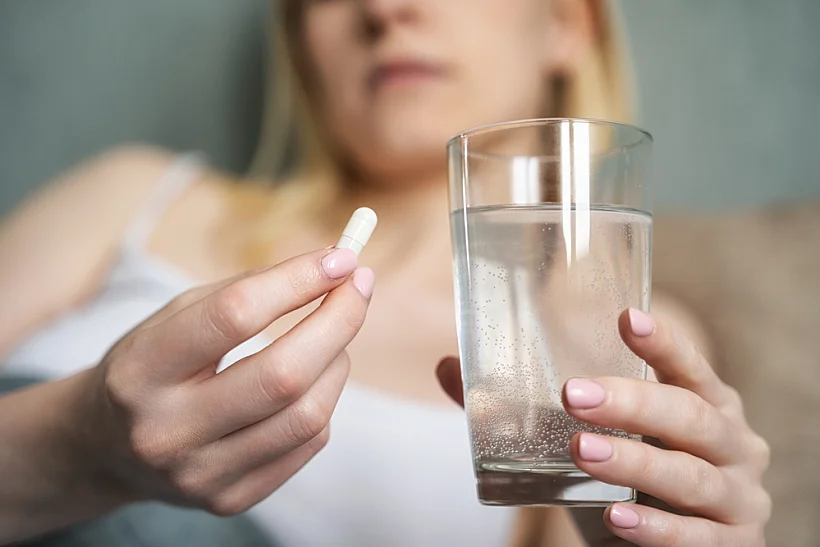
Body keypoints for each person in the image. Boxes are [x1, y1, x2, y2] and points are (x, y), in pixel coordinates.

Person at [0, 0, 771, 545]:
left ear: (566, 22)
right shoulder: (134, 196)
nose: (383, 8)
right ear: (303, 44)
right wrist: (77, 445)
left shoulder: (616, 334)